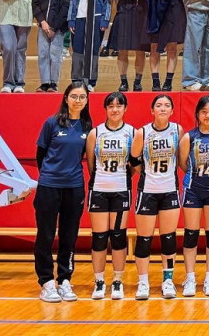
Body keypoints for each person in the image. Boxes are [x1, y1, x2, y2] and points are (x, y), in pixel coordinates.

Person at [34, 84, 92, 303]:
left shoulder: (87, 126)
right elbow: (40, 155)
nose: (78, 100)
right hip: (49, 186)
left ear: (87, 100)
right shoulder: (51, 123)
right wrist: (50, 175)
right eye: (74, 96)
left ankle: (65, 280)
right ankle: (47, 282)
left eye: (82, 97)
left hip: (74, 187)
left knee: (69, 236)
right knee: (46, 234)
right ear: (66, 98)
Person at [131, 94, 182, 300]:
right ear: (152, 110)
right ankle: (143, 282)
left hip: (170, 191)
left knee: (168, 238)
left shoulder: (177, 130)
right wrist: (147, 174)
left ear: (172, 111)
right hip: (148, 192)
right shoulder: (142, 132)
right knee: (144, 239)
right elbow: (133, 159)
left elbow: (181, 158)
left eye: (167, 105)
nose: (163, 108)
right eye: (159, 105)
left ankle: (168, 280)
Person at [85, 91, 134, 300]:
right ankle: (99, 281)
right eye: (111, 106)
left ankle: (117, 281)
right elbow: (90, 164)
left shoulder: (132, 132)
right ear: (105, 109)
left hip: (121, 190)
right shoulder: (95, 133)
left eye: (119, 106)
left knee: (118, 237)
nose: (115, 110)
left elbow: (134, 165)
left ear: (125, 108)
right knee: (99, 238)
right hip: (99, 190)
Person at [178, 95, 209, 297]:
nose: (207, 115)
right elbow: (182, 163)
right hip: (193, 189)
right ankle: (190, 278)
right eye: (204, 112)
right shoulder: (189, 137)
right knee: (191, 234)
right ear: (197, 114)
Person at [142, 0, 188, 91]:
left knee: (172, 46)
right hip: (155, 9)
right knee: (154, 46)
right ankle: (155, 82)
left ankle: (168, 81)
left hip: (174, 8)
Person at [68, 0, 111, 91]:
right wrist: (71, 19)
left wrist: (105, 19)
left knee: (92, 50)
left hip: (96, 16)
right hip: (79, 16)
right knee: (77, 50)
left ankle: (91, 81)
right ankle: (76, 80)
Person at [110, 0, 151, 92]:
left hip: (143, 14)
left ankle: (138, 81)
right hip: (125, 13)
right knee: (122, 49)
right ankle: (123, 81)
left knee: (141, 50)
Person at [33, 0, 70, 93]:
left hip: (58, 28)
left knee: (55, 55)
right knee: (43, 54)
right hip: (43, 26)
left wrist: (54, 27)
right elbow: (35, 3)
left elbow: (65, 8)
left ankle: (53, 83)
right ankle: (44, 82)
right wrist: (42, 22)